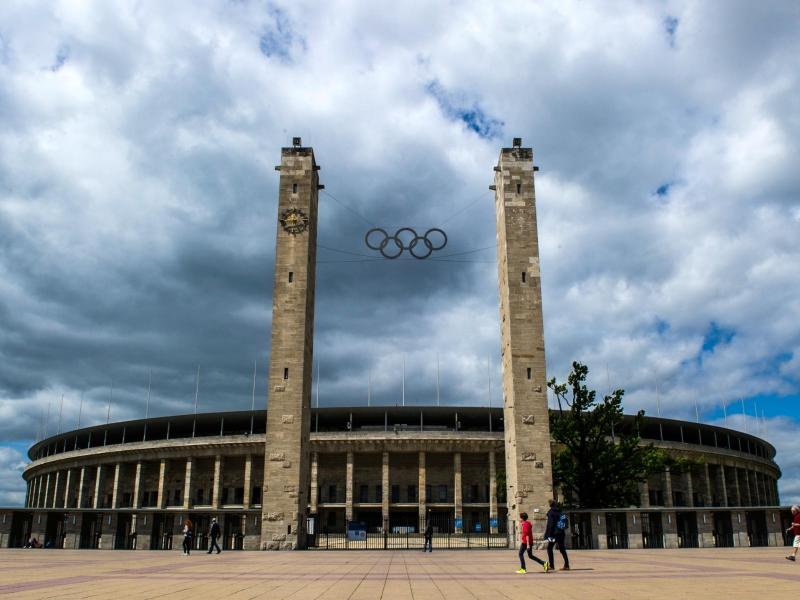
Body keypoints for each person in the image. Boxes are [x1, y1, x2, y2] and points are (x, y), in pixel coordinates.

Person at [544, 499, 570, 571]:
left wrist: (548, 534)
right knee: (562, 549)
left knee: (549, 548)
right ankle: (567, 565)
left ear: (550, 505)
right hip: (561, 533)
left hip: (554, 534)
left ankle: (552, 565)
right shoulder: (560, 511)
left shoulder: (551, 512)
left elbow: (550, 524)